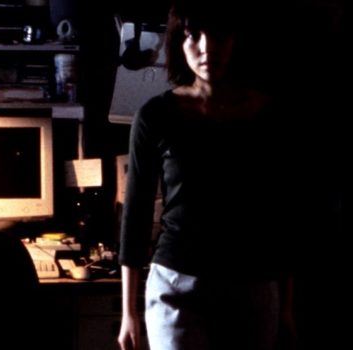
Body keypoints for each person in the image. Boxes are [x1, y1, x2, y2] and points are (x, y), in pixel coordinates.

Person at [117, 1, 310, 349]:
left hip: (252, 285)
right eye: (194, 35)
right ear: (180, 41)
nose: (207, 47)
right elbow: (136, 215)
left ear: (236, 40)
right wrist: (129, 313)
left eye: (219, 34)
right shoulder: (156, 116)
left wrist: (287, 307)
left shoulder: (267, 115)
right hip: (176, 285)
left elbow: (283, 215)